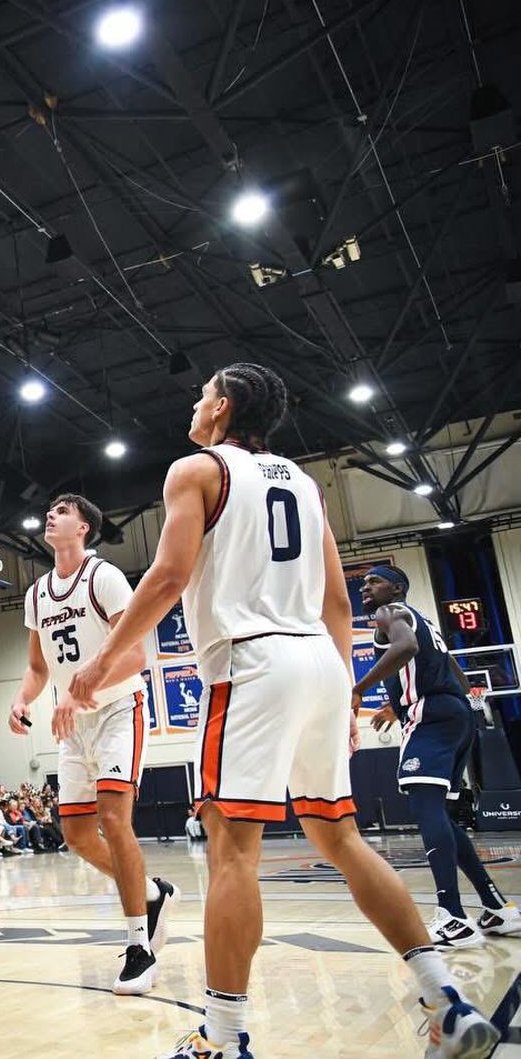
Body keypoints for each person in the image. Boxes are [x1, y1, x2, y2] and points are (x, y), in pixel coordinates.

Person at [67, 362, 496, 1059]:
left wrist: (100, 661)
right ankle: (443, 996)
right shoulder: (304, 483)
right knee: (341, 835)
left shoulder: (196, 470)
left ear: (224, 406)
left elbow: (169, 575)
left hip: (252, 663)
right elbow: (336, 601)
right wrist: (341, 691)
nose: (195, 401)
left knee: (234, 849)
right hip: (320, 662)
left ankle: (223, 1037)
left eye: (204, 392)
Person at [9, 492, 176, 994]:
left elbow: (134, 656)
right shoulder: (37, 592)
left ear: (84, 527)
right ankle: (150, 893)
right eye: (50, 511)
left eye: (62, 511)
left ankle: (139, 946)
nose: (50, 516)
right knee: (77, 835)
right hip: (71, 722)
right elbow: (39, 668)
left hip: (119, 711)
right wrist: (22, 700)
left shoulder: (102, 576)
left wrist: (81, 694)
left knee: (112, 819)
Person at [354, 566, 521, 947]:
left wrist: (358, 689)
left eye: (374, 581)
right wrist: (466, 705)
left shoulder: (390, 612)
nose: (366, 587)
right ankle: (498, 907)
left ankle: (453, 918)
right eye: (363, 583)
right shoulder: (426, 622)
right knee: (442, 815)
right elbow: (451, 669)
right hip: (456, 715)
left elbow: (406, 648)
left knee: (426, 809)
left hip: (430, 715)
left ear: (397, 588)